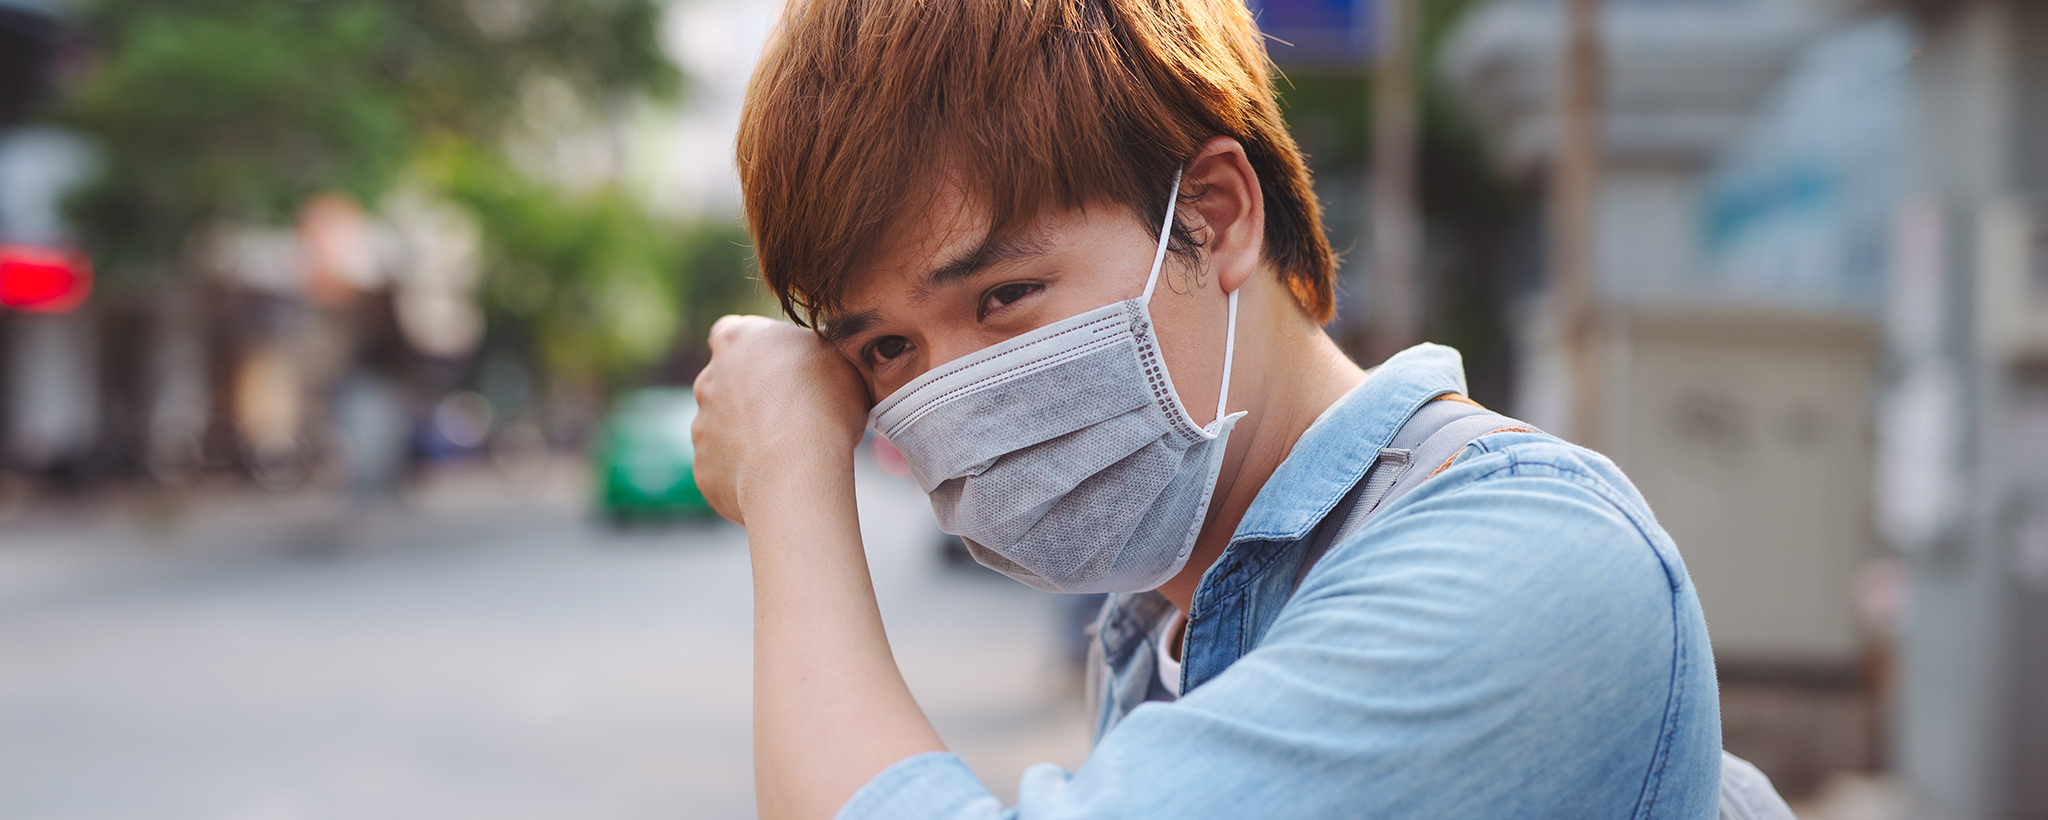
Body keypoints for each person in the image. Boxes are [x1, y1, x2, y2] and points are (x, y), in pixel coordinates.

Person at [689, 0, 1785, 818]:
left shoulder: (1527, 561)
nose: (945, 387)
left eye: (1003, 296)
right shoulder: (1162, 631)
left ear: (1213, 217)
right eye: (885, 348)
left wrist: (791, 472)